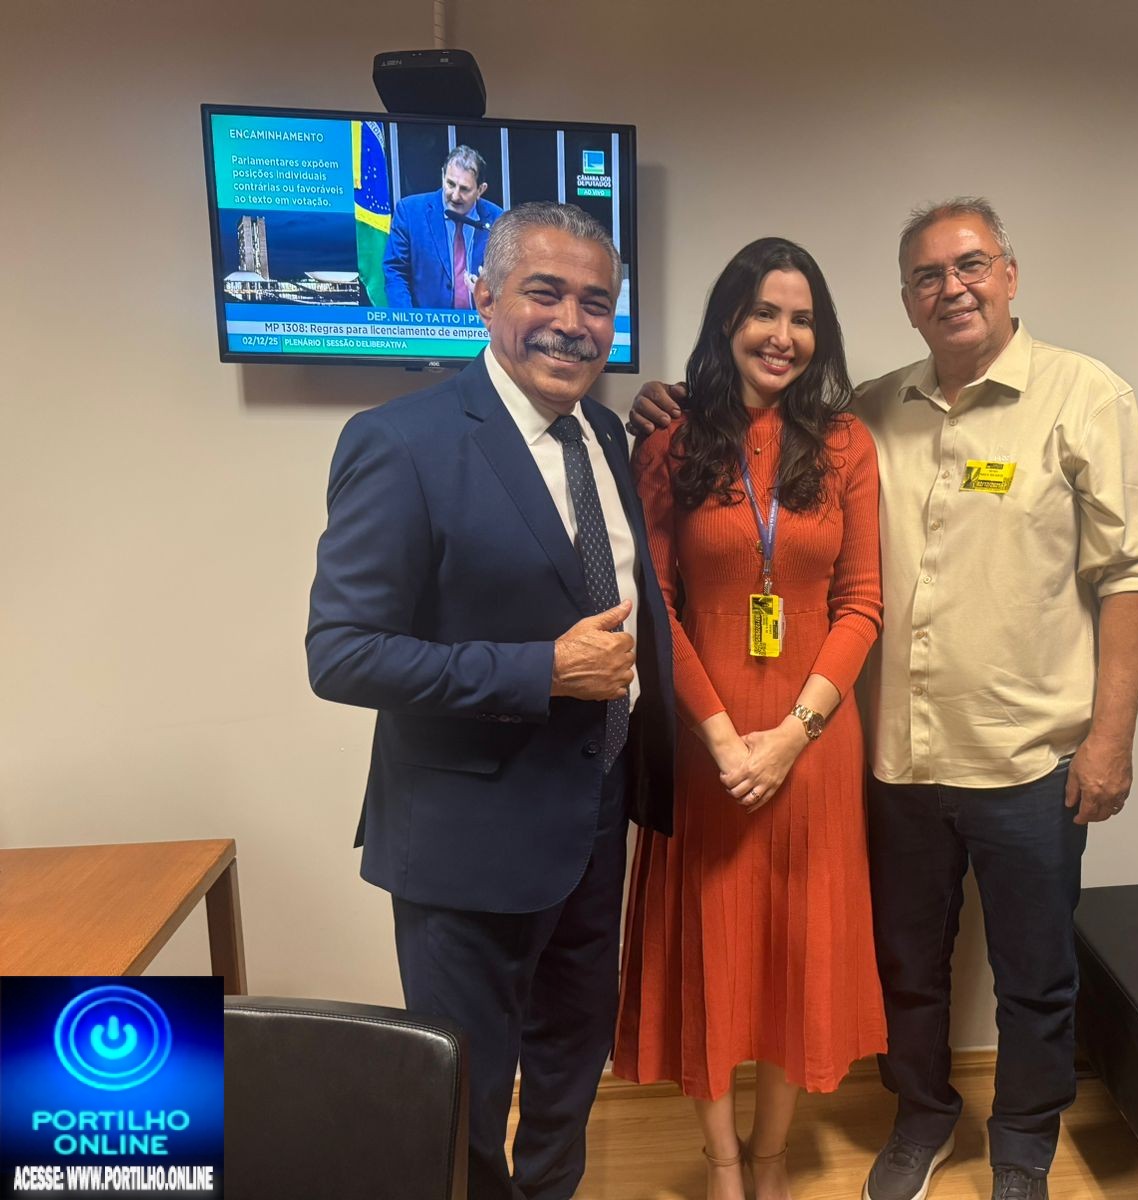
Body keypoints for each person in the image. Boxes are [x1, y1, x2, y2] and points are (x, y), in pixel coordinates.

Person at [629, 198, 1138, 1200]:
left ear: (1008, 274)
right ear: (907, 302)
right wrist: (664, 399)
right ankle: (921, 1118)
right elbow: (738, 447)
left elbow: (1130, 576)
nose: (951, 288)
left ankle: (1021, 1147)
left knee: (1035, 975)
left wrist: (1111, 740)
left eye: (971, 266)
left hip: (1024, 756)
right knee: (906, 965)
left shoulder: (1082, 395)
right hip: (895, 757)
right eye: (928, 276)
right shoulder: (872, 412)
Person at [308, 201, 675, 1200]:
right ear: (482, 295)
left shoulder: (605, 432)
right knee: (465, 1094)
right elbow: (341, 654)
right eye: (544, 292)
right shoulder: (402, 441)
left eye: (595, 302)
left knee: (571, 1064)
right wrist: (538, 670)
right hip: (465, 840)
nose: (572, 323)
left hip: (595, 819)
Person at [612, 237, 886, 1200]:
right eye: (764, 312)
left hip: (813, 745)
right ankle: (723, 1163)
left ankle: (772, 1158)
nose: (782, 335)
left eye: (802, 318)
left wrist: (793, 736)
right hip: (708, 747)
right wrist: (728, 741)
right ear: (729, 320)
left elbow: (862, 603)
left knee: (793, 955)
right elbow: (656, 606)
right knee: (713, 950)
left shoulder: (847, 445)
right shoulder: (670, 440)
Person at [383, 144, 505, 309]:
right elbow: (396, 272)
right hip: (424, 322)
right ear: (443, 175)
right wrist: (407, 319)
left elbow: (510, 279)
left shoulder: (497, 221)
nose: (455, 195)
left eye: (464, 189)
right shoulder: (411, 213)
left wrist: (490, 294)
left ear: (480, 190)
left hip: (480, 322)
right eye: (450, 184)